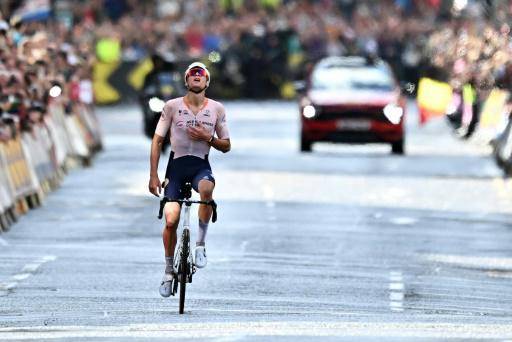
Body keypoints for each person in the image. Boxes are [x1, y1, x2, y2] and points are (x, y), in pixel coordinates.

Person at [148, 62, 231, 297]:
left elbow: (226, 146)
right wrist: (154, 174)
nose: (196, 77)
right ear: (186, 81)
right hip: (176, 167)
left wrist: (209, 138)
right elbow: (157, 140)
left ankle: (200, 246)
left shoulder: (217, 109)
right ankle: (167, 271)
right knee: (171, 219)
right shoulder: (172, 106)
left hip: (200, 166)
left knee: (206, 191)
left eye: (201, 75)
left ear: (207, 82)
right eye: (192, 75)